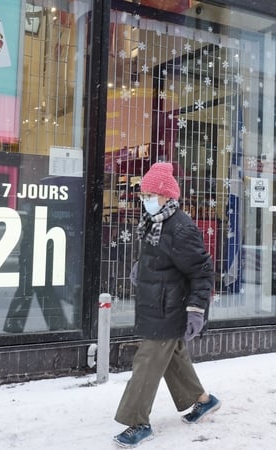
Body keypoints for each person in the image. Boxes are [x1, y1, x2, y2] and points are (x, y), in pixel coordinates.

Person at [113, 162, 220, 448]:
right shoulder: (155, 222)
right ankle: (203, 401)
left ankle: (137, 422)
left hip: (171, 308)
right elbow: (160, 259)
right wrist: (141, 269)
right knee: (173, 358)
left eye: (149, 194)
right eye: (143, 194)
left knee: (147, 362)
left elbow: (201, 271)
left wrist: (196, 310)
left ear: (165, 196)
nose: (144, 199)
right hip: (156, 303)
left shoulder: (180, 227)